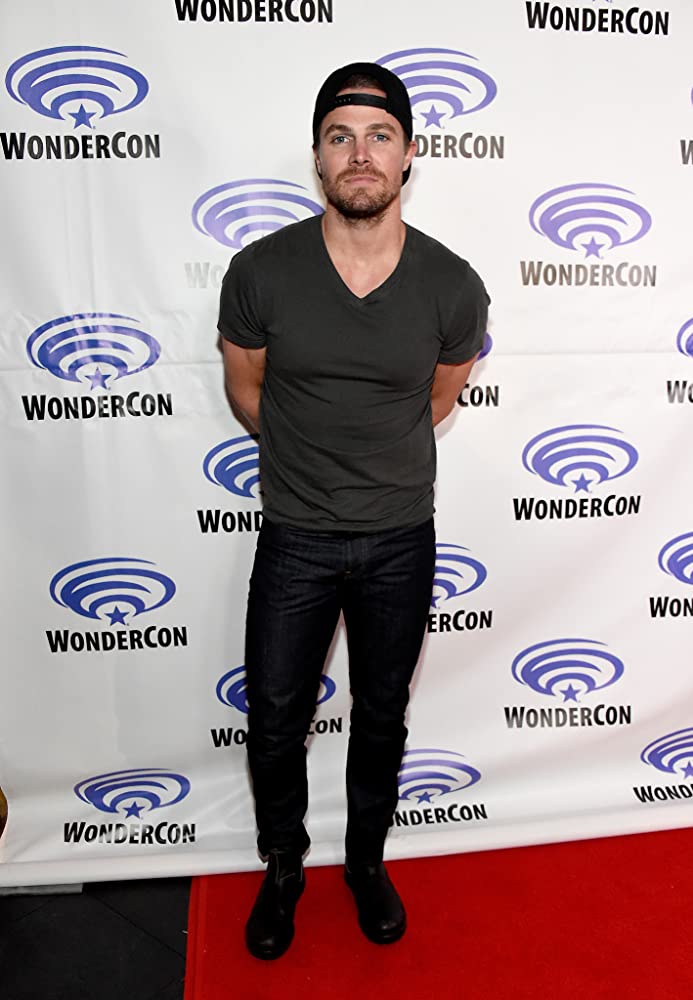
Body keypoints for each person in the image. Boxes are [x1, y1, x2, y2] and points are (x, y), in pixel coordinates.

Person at [218, 61, 489, 960]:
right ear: (317, 156)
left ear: (408, 155)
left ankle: (365, 861)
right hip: (294, 535)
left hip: (400, 539)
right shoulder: (260, 272)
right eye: (340, 136)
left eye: (379, 136)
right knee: (274, 716)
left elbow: (438, 398)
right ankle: (283, 866)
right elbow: (247, 392)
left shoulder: (452, 285)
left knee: (380, 715)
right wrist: (312, 460)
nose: (360, 154)